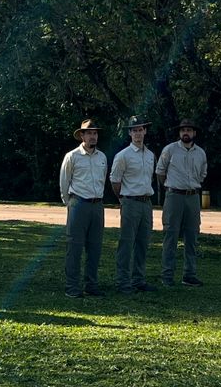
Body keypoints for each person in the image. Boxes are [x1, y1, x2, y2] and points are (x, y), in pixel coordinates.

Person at [59, 119, 108, 298]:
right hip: (78, 204)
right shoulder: (72, 156)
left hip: (97, 206)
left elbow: (103, 180)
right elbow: (64, 183)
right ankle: (72, 286)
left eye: (95, 133)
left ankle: (91, 285)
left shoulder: (102, 157)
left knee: (95, 247)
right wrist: (70, 204)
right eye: (89, 133)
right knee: (75, 247)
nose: (93, 136)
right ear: (82, 135)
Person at [156, 118, 208, 287]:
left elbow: (202, 174)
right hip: (174, 195)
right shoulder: (169, 150)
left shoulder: (200, 153)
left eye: (189, 130)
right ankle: (167, 275)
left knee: (192, 236)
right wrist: (169, 187)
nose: (186, 133)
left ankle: (189, 275)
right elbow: (160, 172)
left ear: (194, 133)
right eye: (183, 130)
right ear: (179, 133)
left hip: (193, 196)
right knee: (170, 235)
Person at [110, 117, 156, 293]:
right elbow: (115, 181)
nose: (138, 133)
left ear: (145, 131)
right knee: (127, 243)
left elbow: (148, 178)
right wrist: (123, 199)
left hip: (146, 202)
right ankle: (123, 282)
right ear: (130, 133)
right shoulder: (123, 156)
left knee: (143, 243)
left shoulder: (151, 155)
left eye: (140, 129)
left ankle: (139, 279)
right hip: (130, 201)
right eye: (134, 130)